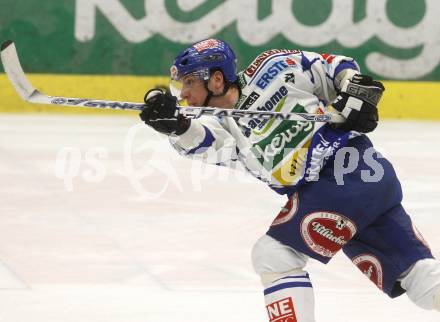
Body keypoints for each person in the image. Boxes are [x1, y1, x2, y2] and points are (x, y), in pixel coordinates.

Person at [139, 38, 440, 321]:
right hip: (359, 188)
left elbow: (336, 67)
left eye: (189, 82)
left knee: (274, 256)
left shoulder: (274, 67)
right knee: (423, 282)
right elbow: (199, 141)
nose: (183, 94)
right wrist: (175, 126)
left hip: (346, 177)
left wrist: (355, 94)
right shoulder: (219, 124)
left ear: (216, 79)